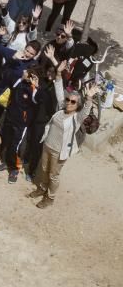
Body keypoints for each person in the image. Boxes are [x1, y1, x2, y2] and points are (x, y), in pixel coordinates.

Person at [30, 79, 98, 207]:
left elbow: (86, 111)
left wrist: (89, 97)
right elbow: (59, 91)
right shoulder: (61, 110)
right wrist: (59, 74)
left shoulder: (77, 118)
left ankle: (50, 198)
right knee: (44, 170)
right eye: (68, 100)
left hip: (59, 151)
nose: (69, 103)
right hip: (47, 146)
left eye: (73, 102)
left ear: (77, 105)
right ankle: (42, 189)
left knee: (53, 175)